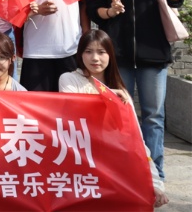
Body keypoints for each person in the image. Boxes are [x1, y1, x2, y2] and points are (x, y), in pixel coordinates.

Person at [87, 0, 185, 180]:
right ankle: (124, 174)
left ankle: (156, 176)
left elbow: (173, 0)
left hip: (153, 53)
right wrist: (110, 11)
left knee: (153, 116)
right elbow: (94, 10)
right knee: (119, 115)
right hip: (117, 55)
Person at [59, 29, 169, 208]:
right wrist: (108, 96)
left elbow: (137, 140)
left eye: (101, 52)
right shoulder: (69, 80)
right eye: (88, 51)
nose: (95, 58)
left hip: (114, 164)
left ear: (110, 55)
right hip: (81, 163)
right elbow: (76, 111)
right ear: (80, 55)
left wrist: (155, 184)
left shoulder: (121, 92)